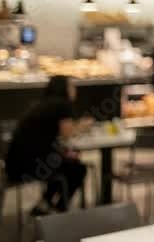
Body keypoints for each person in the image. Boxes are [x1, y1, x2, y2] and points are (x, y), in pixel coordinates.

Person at [5, 76, 92, 214]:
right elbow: (67, 134)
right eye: (71, 86)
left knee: (68, 165)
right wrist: (82, 125)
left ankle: (44, 206)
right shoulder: (61, 105)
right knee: (77, 169)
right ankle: (58, 209)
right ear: (64, 88)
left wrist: (63, 153)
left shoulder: (43, 104)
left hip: (15, 164)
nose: (75, 90)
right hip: (30, 166)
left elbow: (44, 138)